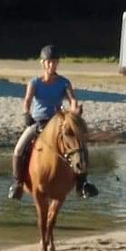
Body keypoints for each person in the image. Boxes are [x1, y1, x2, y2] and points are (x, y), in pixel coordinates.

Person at [8, 45, 80, 200]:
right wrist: (26, 114)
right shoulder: (35, 83)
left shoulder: (64, 82)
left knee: (78, 147)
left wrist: (74, 111)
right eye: (48, 62)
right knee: (19, 148)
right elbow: (27, 101)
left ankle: (82, 182)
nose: (51, 65)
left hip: (58, 122)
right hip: (38, 121)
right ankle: (18, 183)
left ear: (57, 63)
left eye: (54, 62)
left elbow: (72, 99)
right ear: (42, 63)